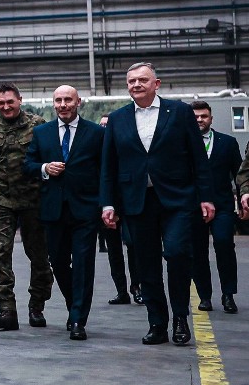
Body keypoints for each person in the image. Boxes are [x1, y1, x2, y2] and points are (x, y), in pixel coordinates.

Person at [101, 62, 216, 346]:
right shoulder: (118, 118)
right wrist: (108, 203)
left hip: (177, 198)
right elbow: (109, 166)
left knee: (177, 253)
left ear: (157, 84)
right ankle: (157, 323)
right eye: (131, 81)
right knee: (146, 264)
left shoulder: (179, 112)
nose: (136, 85)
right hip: (137, 201)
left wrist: (206, 196)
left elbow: (198, 158)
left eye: (142, 80)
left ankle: (180, 317)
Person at [25, 85, 103, 341]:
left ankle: (78, 319)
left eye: (68, 100)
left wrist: (105, 205)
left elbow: (105, 169)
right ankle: (74, 303)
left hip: (85, 210)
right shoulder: (42, 132)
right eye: (58, 100)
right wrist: (45, 168)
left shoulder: (96, 133)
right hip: (53, 210)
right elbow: (28, 165)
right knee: (58, 263)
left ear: (78, 102)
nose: (63, 105)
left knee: (83, 265)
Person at [0, 83, 51, 331]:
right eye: (1, 103)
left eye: (10, 102)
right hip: (1, 199)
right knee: (1, 254)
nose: (6, 107)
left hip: (33, 199)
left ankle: (37, 306)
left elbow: (46, 159)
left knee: (38, 254)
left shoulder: (38, 125)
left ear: (20, 100)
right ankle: (6, 309)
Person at [190, 101, 241, 314]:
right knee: (197, 251)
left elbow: (239, 174)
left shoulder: (228, 143)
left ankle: (228, 294)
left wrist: (243, 200)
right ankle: (204, 296)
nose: (199, 120)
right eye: (195, 117)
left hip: (222, 206)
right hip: (193, 208)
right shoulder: (182, 144)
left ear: (211, 118)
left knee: (224, 244)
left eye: (203, 116)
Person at [98, 113, 141, 306]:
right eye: (102, 125)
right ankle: (121, 291)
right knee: (114, 249)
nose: (105, 129)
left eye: (108, 125)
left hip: (129, 201)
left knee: (133, 244)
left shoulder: (126, 144)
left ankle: (137, 287)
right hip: (108, 203)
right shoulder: (98, 148)